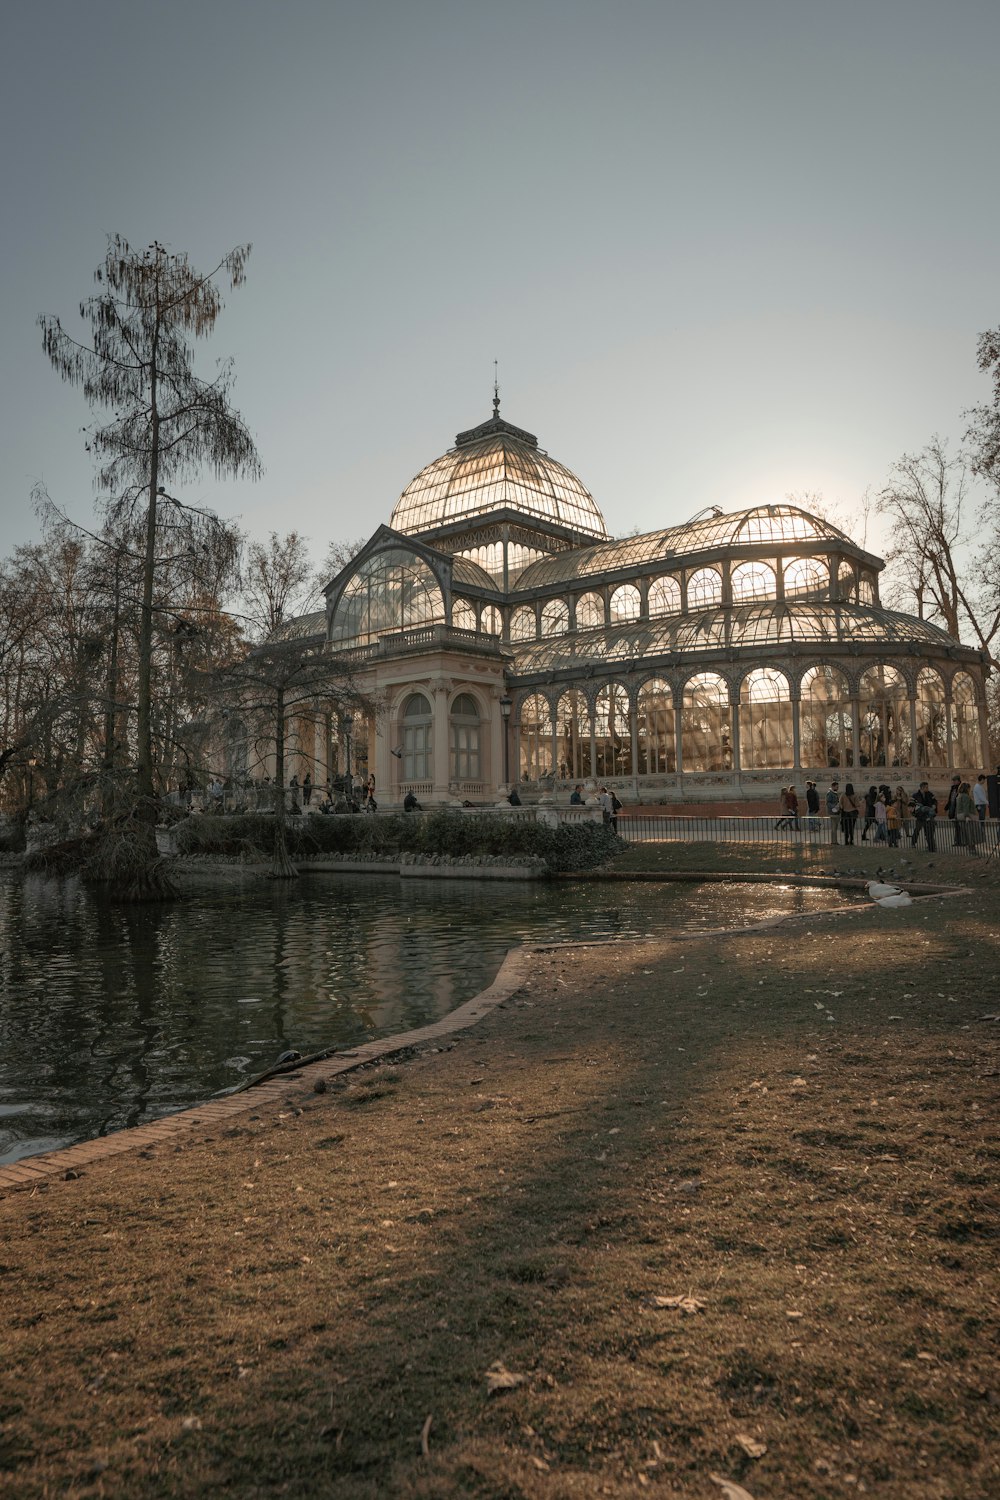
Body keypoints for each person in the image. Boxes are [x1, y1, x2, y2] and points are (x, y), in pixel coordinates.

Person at [909, 781, 937, 851]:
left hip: (928, 816)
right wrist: (914, 813)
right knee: (917, 830)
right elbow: (911, 805)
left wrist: (934, 805)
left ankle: (930, 845)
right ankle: (913, 843)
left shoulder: (930, 794)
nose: (928, 788)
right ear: (922, 788)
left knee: (929, 832)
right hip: (920, 816)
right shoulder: (915, 795)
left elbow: (935, 801)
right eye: (926, 787)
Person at [955, 781, 977, 852]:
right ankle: (971, 847)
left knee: (965, 832)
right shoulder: (965, 796)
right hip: (965, 815)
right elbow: (966, 807)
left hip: (959, 815)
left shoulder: (959, 796)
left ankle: (968, 846)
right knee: (970, 832)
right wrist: (967, 816)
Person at [826, 780, 840, 845]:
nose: (837, 788)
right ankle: (833, 841)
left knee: (835, 827)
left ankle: (835, 840)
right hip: (832, 812)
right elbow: (828, 803)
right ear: (833, 786)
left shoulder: (835, 793)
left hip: (836, 811)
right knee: (834, 827)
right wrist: (834, 807)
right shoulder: (830, 793)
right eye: (836, 787)